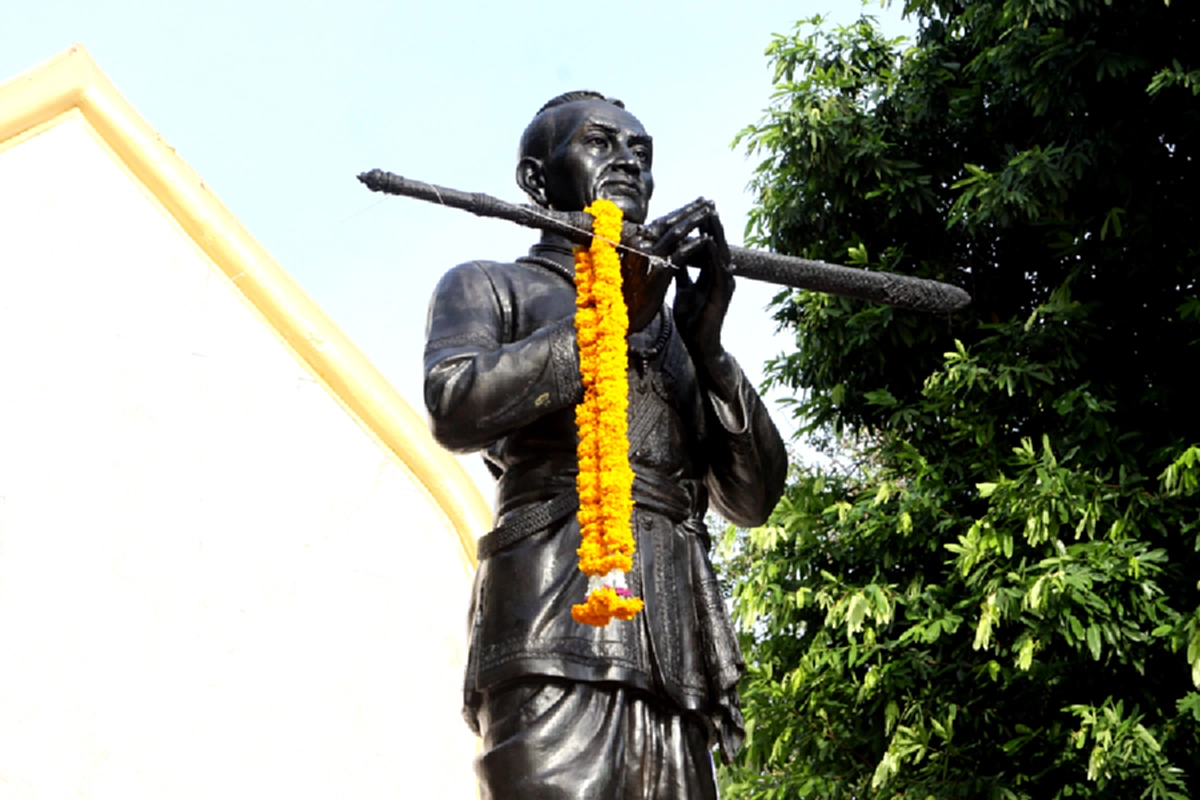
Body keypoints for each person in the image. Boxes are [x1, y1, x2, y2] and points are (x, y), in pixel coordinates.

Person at [423, 90, 787, 799]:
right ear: (537, 180)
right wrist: (610, 319)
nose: (627, 161)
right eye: (600, 144)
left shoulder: (677, 329)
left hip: (673, 636)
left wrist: (709, 348)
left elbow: (752, 498)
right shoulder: (493, 286)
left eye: (641, 153)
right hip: (553, 609)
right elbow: (455, 406)